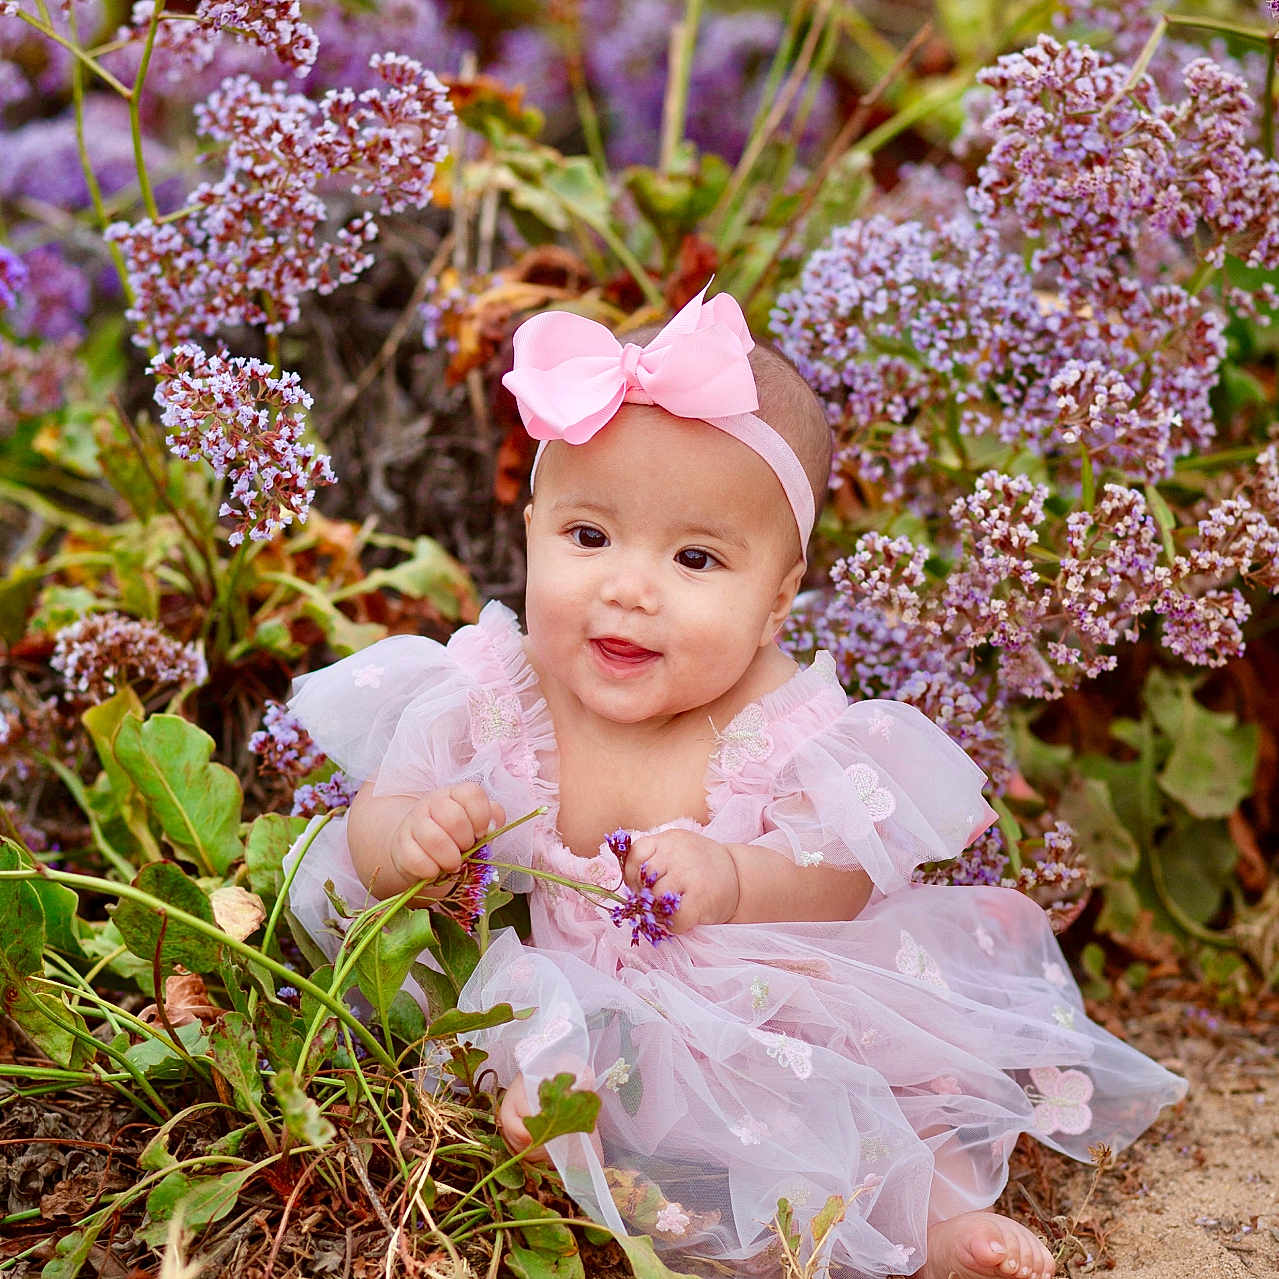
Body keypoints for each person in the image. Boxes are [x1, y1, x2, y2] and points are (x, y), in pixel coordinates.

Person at [283, 284, 1186, 1279]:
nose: (630, 586)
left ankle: (928, 1222)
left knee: (881, 1089)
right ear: (532, 530)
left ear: (777, 596)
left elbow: (842, 881)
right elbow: (372, 827)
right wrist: (412, 836)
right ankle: (553, 1121)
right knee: (497, 1005)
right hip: (536, 983)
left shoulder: (784, 724)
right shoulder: (493, 687)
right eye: (588, 537)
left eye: (696, 557)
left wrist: (734, 878)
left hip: (742, 1012)